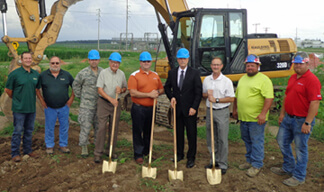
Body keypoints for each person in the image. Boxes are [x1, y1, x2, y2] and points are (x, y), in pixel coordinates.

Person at [270, 52, 322, 187]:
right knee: (281, 141)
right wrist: (282, 114)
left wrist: (307, 122)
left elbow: (315, 102)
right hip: (288, 118)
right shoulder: (293, 77)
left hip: (302, 120)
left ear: (307, 63)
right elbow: (287, 96)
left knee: (300, 149)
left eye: (300, 63)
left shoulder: (312, 80)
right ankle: (288, 167)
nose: (297, 66)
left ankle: (299, 176)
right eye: (296, 63)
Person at [232, 54, 274, 177]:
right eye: (248, 65)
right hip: (244, 117)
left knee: (256, 141)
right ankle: (249, 161)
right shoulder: (242, 79)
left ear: (258, 66)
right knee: (247, 140)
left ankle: (257, 165)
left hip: (256, 119)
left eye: (252, 65)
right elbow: (237, 96)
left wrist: (263, 114)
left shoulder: (264, 80)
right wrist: (235, 110)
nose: (250, 67)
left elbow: (269, 98)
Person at [164, 48, 202, 168]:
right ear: (177, 59)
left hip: (190, 110)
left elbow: (198, 92)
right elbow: (167, 87)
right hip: (178, 109)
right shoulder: (172, 72)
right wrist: (171, 97)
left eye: (184, 58)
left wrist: (194, 107)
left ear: (188, 59)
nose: (182, 61)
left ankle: (191, 157)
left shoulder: (194, 73)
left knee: (191, 134)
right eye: (180, 58)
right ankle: (179, 154)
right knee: (178, 133)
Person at [128, 51, 164, 164]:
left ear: (151, 62)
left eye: (148, 61)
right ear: (140, 62)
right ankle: (138, 154)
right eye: (144, 61)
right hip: (139, 108)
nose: (146, 63)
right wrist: (149, 95)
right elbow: (132, 93)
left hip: (151, 108)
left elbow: (162, 89)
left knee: (149, 131)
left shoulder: (155, 75)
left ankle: (147, 152)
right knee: (138, 131)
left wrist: (157, 92)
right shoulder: (134, 76)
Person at [5, 52, 41, 162]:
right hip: (19, 109)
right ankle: (15, 153)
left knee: (29, 130)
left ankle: (27, 150)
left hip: (31, 108)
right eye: (26, 58)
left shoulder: (35, 74)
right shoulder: (15, 74)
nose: (28, 60)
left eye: (30, 58)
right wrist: (18, 99)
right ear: (21, 60)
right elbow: (8, 90)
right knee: (18, 131)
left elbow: (36, 89)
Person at [202, 57, 235, 175]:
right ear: (211, 66)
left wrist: (216, 99)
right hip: (209, 110)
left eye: (218, 65)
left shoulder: (226, 81)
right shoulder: (207, 80)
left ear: (221, 66)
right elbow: (204, 94)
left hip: (222, 111)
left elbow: (231, 98)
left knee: (222, 138)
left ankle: (222, 164)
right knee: (211, 137)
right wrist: (207, 95)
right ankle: (213, 161)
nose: (215, 67)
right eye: (213, 65)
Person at [36, 56, 75, 154]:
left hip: (64, 107)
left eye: (57, 63)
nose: (55, 65)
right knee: (49, 126)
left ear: (60, 63)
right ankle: (49, 146)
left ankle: (63, 145)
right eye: (53, 63)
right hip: (49, 107)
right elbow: (36, 89)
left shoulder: (66, 75)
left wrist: (71, 100)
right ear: (50, 64)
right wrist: (42, 100)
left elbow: (75, 87)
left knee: (64, 126)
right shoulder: (43, 75)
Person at [93, 52, 127, 163]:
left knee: (114, 128)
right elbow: (100, 90)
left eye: (117, 63)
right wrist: (110, 99)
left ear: (120, 63)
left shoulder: (121, 74)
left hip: (116, 104)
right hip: (104, 103)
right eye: (113, 62)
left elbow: (125, 88)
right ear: (109, 62)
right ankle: (98, 153)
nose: (115, 64)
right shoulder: (103, 73)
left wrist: (121, 90)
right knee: (101, 127)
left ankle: (110, 151)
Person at [72, 50, 103, 157]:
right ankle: (84, 146)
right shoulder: (83, 73)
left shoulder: (103, 72)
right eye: (92, 60)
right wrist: (81, 96)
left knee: (98, 126)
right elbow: (75, 85)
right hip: (86, 105)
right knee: (85, 126)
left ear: (99, 60)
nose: (94, 62)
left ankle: (97, 145)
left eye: (96, 59)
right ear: (88, 61)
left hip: (99, 105)